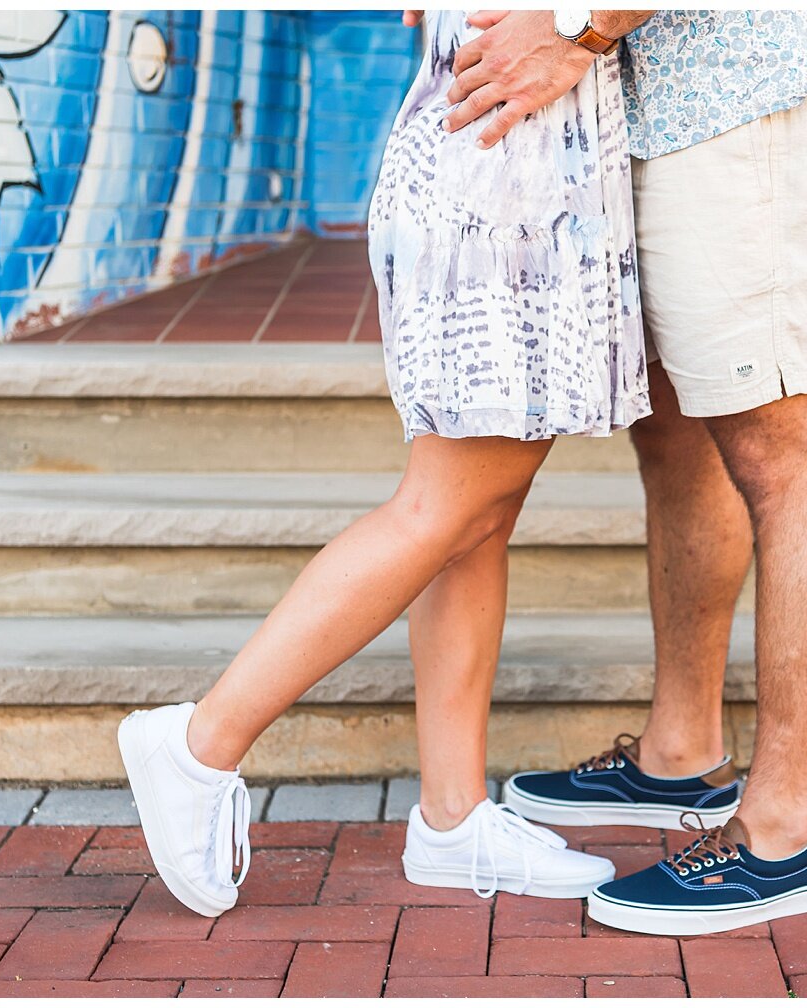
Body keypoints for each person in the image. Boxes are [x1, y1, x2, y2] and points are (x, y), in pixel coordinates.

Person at [115, 8, 650, 917]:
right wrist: (586, 26)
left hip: (503, 145)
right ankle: (202, 742)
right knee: (443, 508)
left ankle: (451, 819)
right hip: (505, 161)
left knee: (477, 517)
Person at [448, 9, 807, 934]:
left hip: (755, 91)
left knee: (787, 449)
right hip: (663, 96)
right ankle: (679, 752)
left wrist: (579, 30)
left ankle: (782, 834)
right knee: (679, 428)